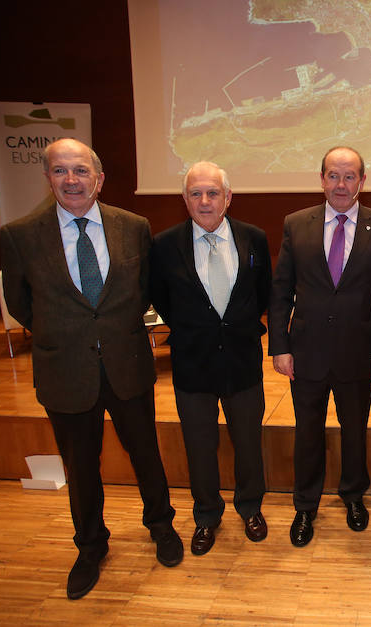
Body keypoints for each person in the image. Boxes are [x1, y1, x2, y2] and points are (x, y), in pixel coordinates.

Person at [0, 139, 182, 600]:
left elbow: (142, 292)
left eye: (81, 170)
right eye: (60, 171)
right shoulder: (20, 235)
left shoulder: (133, 227)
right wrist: (67, 335)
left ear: (99, 179)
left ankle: (161, 525)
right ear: (48, 178)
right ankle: (90, 546)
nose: (71, 180)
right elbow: (21, 304)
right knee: (80, 467)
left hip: (127, 363)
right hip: (66, 370)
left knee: (146, 454)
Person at [268, 146, 371, 547]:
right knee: (307, 432)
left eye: (350, 176)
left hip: (359, 352)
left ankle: (353, 496)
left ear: (362, 180)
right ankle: (305, 505)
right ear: (321, 178)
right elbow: (281, 290)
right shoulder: (296, 223)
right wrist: (279, 345)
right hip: (305, 351)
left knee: (355, 429)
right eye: (333, 176)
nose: (341, 184)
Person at [149, 162, 272, 556]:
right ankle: (206, 515)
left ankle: (251, 507)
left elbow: (263, 295)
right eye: (196, 194)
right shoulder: (164, 245)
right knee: (199, 447)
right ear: (184, 199)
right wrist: (195, 330)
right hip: (192, 364)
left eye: (212, 193)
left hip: (242, 363)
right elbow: (162, 298)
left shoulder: (254, 238)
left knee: (248, 443)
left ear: (228, 197)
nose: (204, 201)